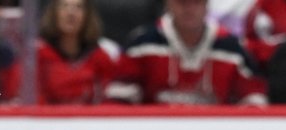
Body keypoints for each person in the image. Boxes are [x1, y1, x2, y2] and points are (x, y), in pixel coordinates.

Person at [107, 0, 264, 104]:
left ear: (207, 4)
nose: (189, 9)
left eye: (196, 2)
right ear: (168, 3)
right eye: (182, 2)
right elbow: (118, 100)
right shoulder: (142, 45)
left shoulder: (231, 48)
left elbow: (255, 100)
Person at [35, 0, 120, 104]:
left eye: (78, 7)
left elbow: (111, 100)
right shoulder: (37, 55)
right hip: (47, 119)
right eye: (64, 6)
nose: (71, 13)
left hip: (89, 119)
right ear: (54, 13)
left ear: (87, 15)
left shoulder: (101, 56)